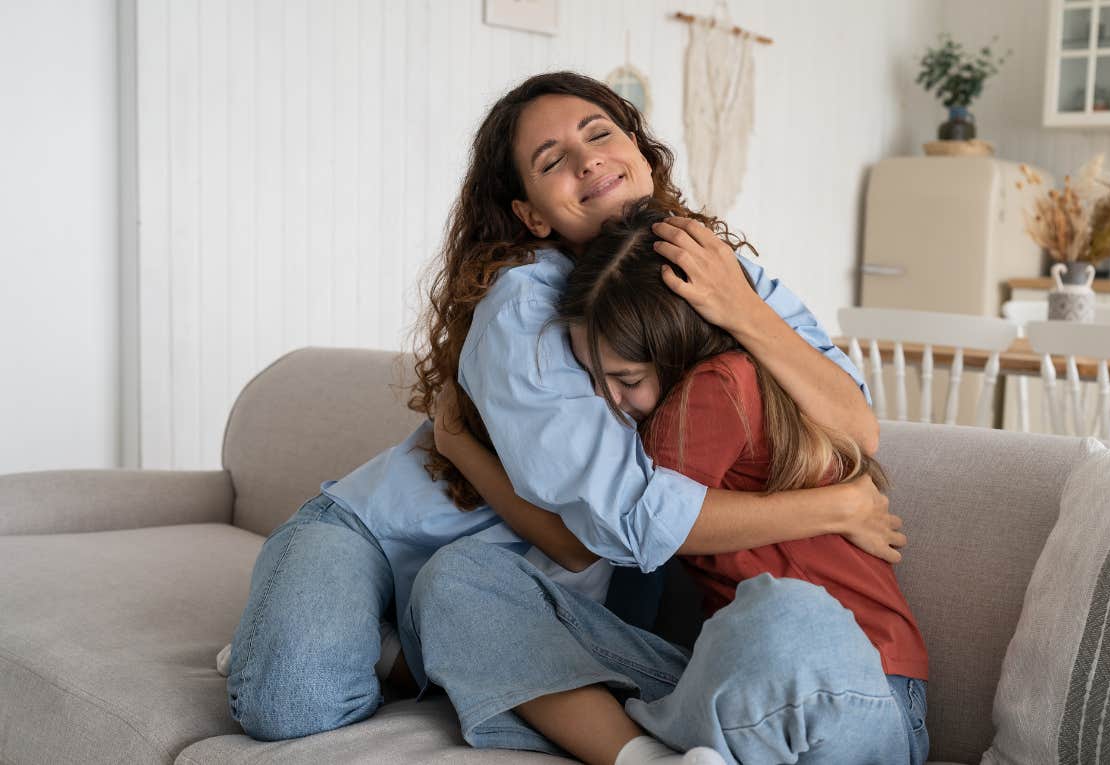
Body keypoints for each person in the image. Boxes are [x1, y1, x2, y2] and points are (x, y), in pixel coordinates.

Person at [226, 69, 902, 746]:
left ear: (641, 148)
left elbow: (857, 427)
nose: (587, 159)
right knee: (290, 698)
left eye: (600, 132)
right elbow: (615, 526)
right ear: (532, 214)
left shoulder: (721, 268)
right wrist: (839, 506)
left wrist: (742, 310)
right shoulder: (527, 299)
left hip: (516, 586)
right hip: (388, 532)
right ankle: (324, 634)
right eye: (552, 161)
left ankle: (405, 651)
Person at [416, 199, 929, 765]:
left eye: (625, 379)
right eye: (592, 378)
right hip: (735, 689)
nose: (607, 401)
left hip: (855, 685)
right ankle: (650, 758)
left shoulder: (715, 389)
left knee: (781, 611)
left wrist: (463, 448)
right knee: (461, 578)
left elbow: (636, 534)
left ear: (673, 347)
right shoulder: (708, 392)